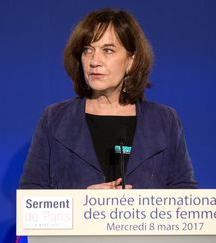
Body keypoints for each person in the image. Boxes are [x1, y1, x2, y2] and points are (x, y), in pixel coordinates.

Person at [19, 8, 197, 189]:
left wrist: (143, 207)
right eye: (88, 50)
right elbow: (31, 197)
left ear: (131, 61)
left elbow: (185, 193)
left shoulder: (164, 120)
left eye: (108, 50)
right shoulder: (55, 119)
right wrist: (82, 202)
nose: (94, 61)